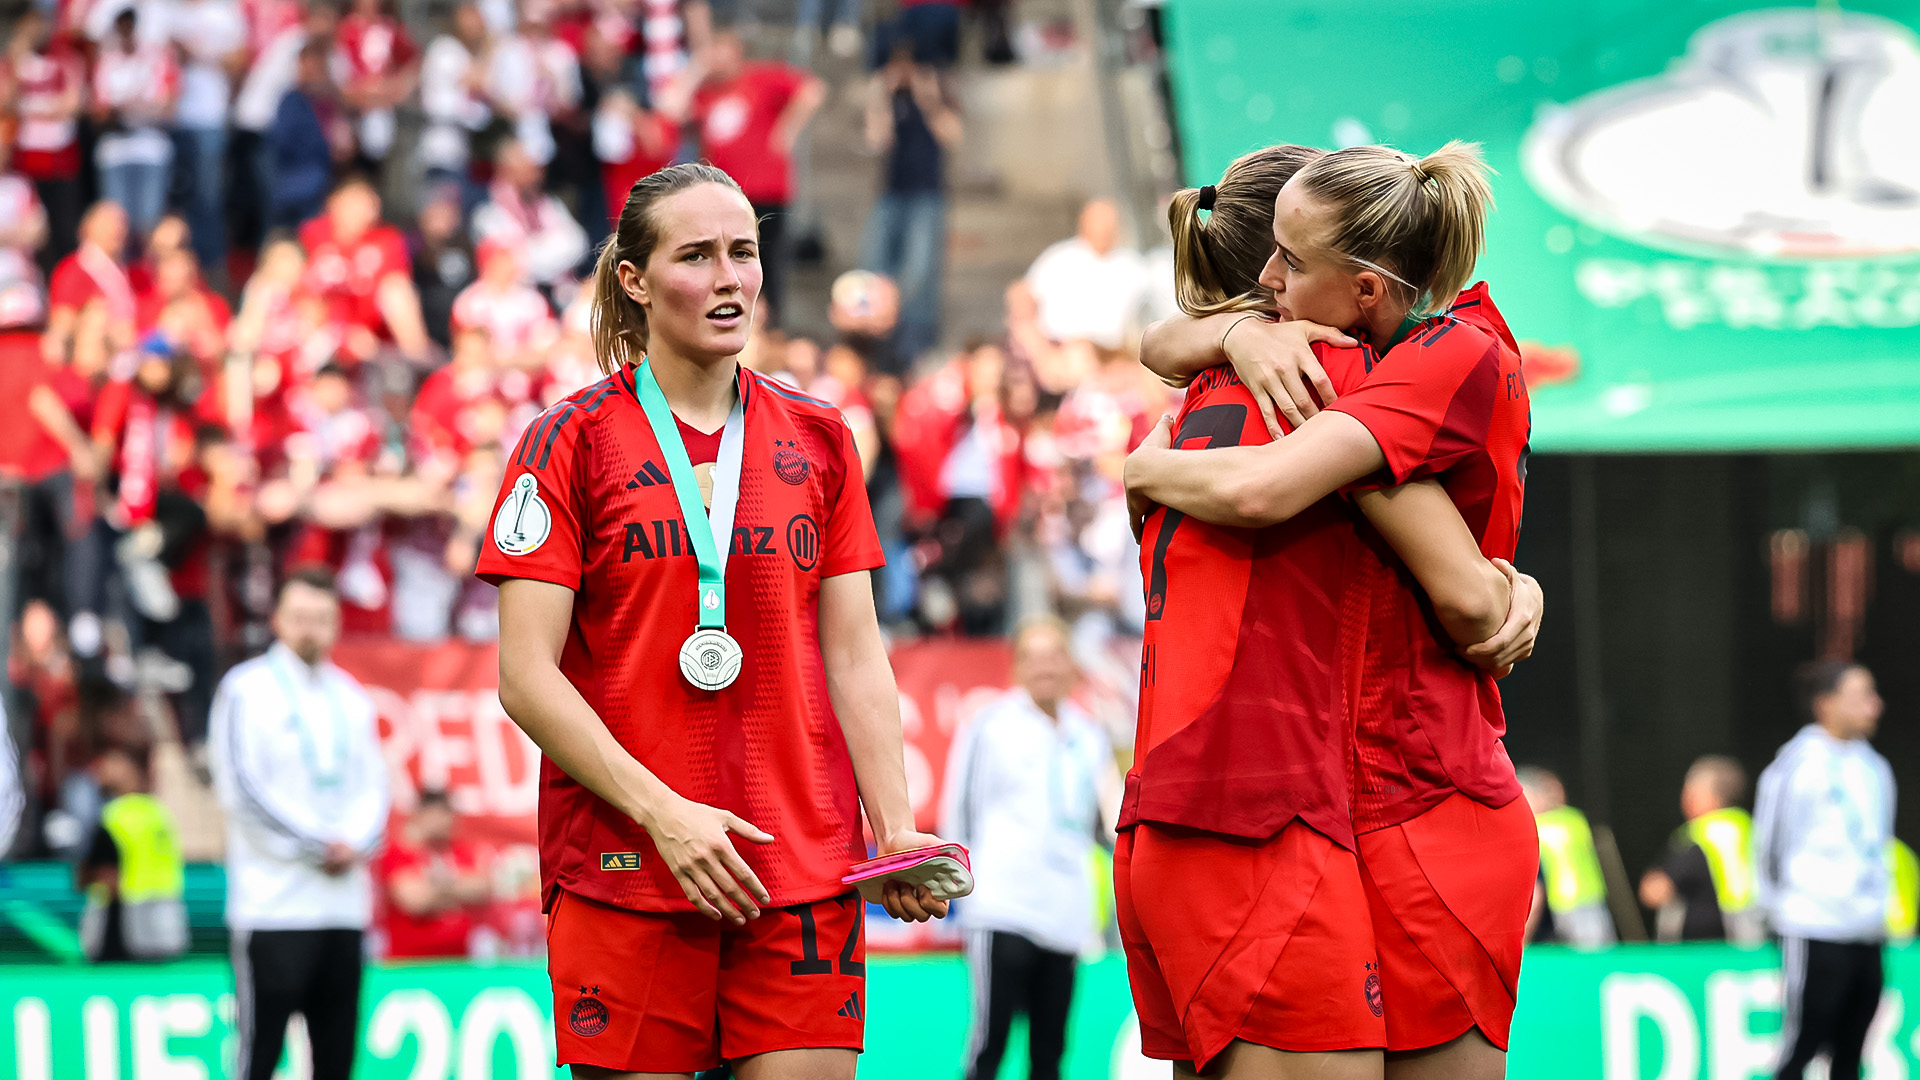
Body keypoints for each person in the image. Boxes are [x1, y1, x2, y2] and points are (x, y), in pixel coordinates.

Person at [482, 163, 951, 1079]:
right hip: (628, 867)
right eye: (697, 256)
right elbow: (524, 676)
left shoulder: (820, 437)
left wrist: (893, 825)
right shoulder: (562, 442)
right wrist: (665, 815)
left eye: (744, 251)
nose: (731, 277)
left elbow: (855, 654)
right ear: (635, 279)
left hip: (801, 868)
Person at [1124, 141, 1541, 1080]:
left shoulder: (1234, 401)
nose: (1274, 281)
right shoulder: (1349, 371)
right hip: (1344, 801)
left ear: (1360, 288)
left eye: (1291, 262)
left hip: (1270, 810)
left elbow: (1472, 594)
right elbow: (1476, 602)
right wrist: (1515, 588)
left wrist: (1146, 462)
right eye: (1271, 259)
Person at [209, 567, 390, 1080]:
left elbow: (375, 788)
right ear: (277, 621)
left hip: (342, 910)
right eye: (300, 617)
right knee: (260, 1054)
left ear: (337, 623)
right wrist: (319, 845)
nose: (310, 629)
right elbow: (240, 788)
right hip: (273, 907)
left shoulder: (352, 698)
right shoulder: (246, 690)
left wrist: (355, 844)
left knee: (335, 1060)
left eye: (322, 618)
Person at [940, 615, 1114, 1080]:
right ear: (1016, 666)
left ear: (1071, 665)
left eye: (1055, 656)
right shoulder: (991, 725)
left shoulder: (1088, 734)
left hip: (1065, 914)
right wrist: (959, 889)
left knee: (1051, 1052)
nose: (1046, 668)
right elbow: (959, 811)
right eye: (1034, 658)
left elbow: (1102, 823)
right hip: (1002, 905)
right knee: (989, 1045)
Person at [1755, 660, 1895, 1080]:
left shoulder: (1876, 768)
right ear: (1826, 704)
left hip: (1866, 928)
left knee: (1852, 1049)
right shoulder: (1796, 765)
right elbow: (1770, 845)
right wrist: (1781, 908)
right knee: (1803, 1044)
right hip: (1814, 924)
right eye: (1862, 696)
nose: (1875, 706)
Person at [690, 28, 826, 328]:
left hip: (765, 189)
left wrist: (788, 129)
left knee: (765, 261)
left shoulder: (759, 78)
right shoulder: (706, 91)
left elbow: (812, 89)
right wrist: (696, 70)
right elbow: (672, 107)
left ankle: (770, 326)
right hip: (725, 194)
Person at [859, 39, 962, 363]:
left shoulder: (936, 100)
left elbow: (952, 136)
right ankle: (876, 338)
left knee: (920, 272)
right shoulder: (890, 100)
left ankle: (915, 346)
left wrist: (929, 99)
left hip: (927, 195)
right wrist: (880, 98)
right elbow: (877, 139)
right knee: (875, 265)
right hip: (893, 193)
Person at [77, 740, 188, 961]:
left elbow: (100, 875)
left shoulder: (113, 817)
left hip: (124, 932)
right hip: (166, 925)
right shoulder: (158, 813)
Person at [1640, 755, 1763, 944]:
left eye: (1690, 792)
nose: (1685, 800)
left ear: (1710, 796)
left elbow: (1657, 890)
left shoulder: (1700, 833)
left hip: (1708, 951)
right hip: (1757, 938)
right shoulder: (1750, 827)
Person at [91, 7, 179, 240]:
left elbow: (169, 107)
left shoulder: (156, 58)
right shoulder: (107, 61)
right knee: (117, 225)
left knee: (150, 223)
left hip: (151, 147)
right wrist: (138, 108)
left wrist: (130, 108)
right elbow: (99, 112)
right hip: (116, 149)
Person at [1021, 199, 1151, 352]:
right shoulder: (1058, 258)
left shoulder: (1132, 265)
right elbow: (1023, 297)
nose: (1103, 228)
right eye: (1098, 222)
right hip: (1060, 349)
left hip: (1111, 354)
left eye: (1108, 223)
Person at [375, 788, 490, 958]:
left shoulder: (460, 850)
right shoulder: (398, 852)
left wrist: (437, 885)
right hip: (409, 963)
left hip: (460, 960)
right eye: (443, 813)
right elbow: (415, 901)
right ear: (423, 814)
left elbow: (483, 889)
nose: (450, 821)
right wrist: (457, 889)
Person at [1519, 766, 1615, 950]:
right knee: (1598, 955)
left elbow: (1537, 889)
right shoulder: (1575, 819)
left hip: (1564, 901)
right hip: (1592, 898)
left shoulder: (1536, 827)